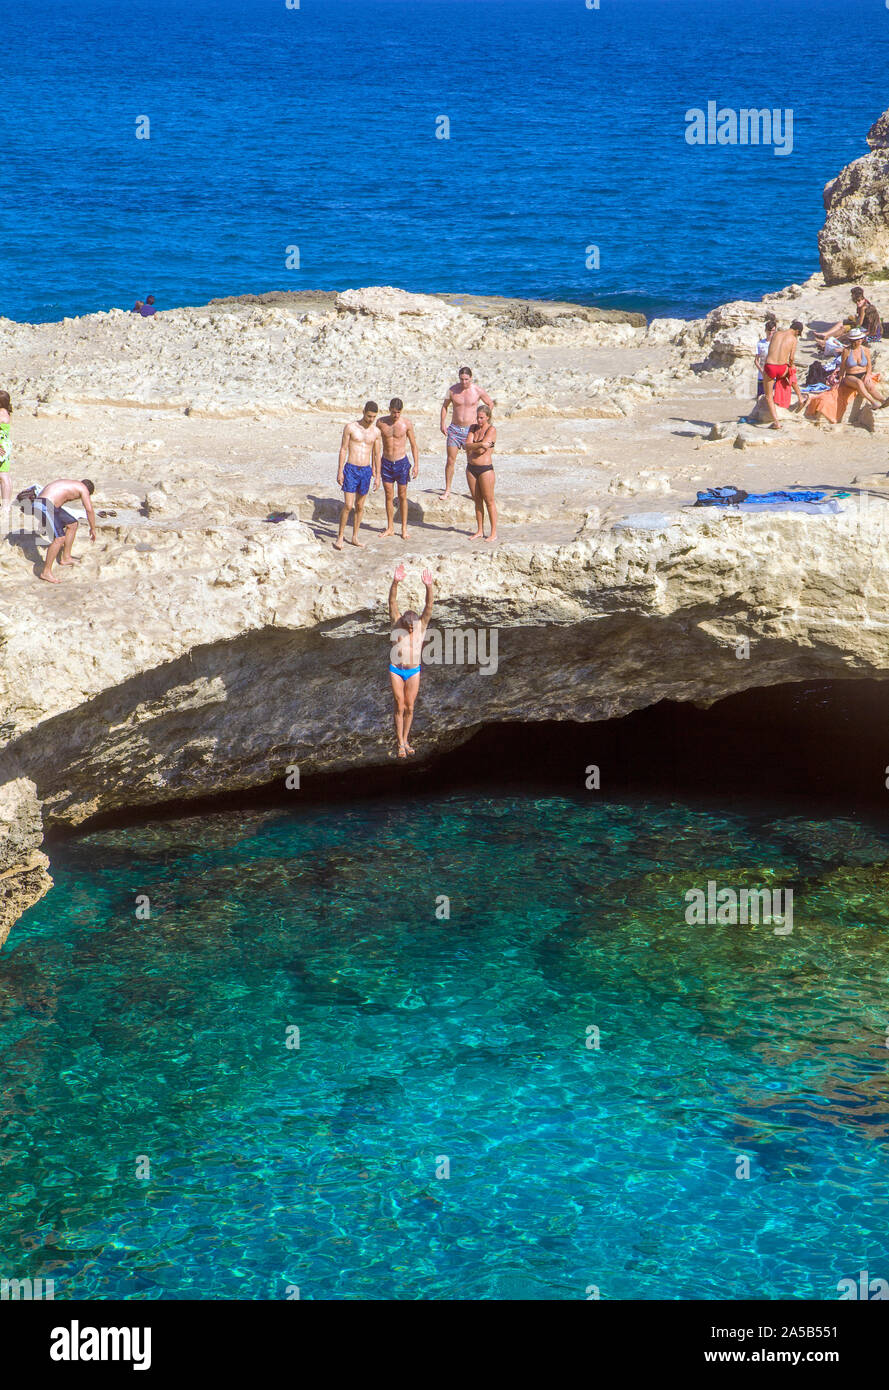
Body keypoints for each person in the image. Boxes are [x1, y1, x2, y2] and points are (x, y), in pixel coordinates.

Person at [388, 563, 434, 757]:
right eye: (409, 629)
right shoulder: (397, 623)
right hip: (396, 669)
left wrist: (429, 586)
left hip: (414, 670)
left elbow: (429, 606)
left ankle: (406, 740)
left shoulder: (421, 624)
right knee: (400, 705)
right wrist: (395, 582)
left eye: (413, 628)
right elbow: (392, 603)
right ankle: (400, 744)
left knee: (410, 706)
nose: (411, 631)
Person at [439, 367, 493, 499]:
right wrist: (442, 423)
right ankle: (447, 490)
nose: (464, 382)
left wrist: (483, 422)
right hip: (454, 429)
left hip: (471, 430)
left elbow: (490, 404)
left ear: (471, 378)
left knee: (472, 461)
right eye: (462, 379)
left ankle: (475, 492)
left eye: (466, 380)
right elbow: (445, 406)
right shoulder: (452, 390)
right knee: (451, 460)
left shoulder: (477, 390)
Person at [334, 402, 381, 549]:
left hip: (365, 470)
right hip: (351, 468)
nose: (370, 419)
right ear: (363, 412)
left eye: (373, 417)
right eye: (368, 416)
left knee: (360, 506)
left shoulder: (376, 432)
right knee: (348, 505)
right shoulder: (351, 427)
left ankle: (355, 536)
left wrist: (377, 475)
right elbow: (343, 449)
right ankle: (340, 536)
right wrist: (340, 470)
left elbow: (377, 454)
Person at [34, 479, 97, 583]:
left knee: (72, 524)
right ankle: (46, 572)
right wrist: (93, 528)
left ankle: (66, 557)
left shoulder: (72, 484)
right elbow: (89, 509)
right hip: (44, 505)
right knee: (60, 538)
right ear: (88, 491)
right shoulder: (83, 489)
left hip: (47, 504)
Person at [378, 398, 419, 540]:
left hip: (401, 463)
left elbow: (414, 444)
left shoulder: (406, 423)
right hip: (386, 463)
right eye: (394, 412)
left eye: (398, 413)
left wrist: (416, 465)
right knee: (388, 495)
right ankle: (390, 527)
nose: (396, 415)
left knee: (402, 496)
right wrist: (375, 467)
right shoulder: (381, 423)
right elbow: (375, 445)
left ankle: (403, 528)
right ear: (389, 409)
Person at [763, 321, 806, 428]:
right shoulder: (793, 339)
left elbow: (770, 350)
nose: (797, 335)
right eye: (798, 334)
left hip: (770, 366)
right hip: (782, 368)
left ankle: (776, 422)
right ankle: (800, 397)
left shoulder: (777, 333)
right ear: (797, 331)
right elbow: (791, 358)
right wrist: (791, 366)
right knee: (791, 372)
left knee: (768, 396)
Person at [465, 403, 498, 541]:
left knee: (489, 500)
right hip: (471, 468)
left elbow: (479, 451)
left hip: (485, 469)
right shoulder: (473, 428)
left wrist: (475, 446)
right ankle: (479, 530)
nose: (478, 420)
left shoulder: (491, 430)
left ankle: (493, 533)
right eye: (477, 417)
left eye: (481, 418)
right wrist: (480, 443)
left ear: (488, 417)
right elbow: (466, 446)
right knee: (477, 500)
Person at [815, 287, 882, 347]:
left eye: (858, 301)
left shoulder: (863, 307)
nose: (857, 303)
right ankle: (826, 336)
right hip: (865, 327)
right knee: (842, 324)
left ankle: (826, 341)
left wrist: (855, 328)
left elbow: (860, 324)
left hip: (865, 328)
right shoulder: (862, 303)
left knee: (845, 331)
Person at [839, 328, 885, 407]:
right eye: (858, 339)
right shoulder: (846, 351)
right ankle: (873, 402)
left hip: (863, 373)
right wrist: (840, 381)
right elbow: (842, 367)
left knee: (870, 386)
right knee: (859, 383)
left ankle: (883, 400)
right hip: (850, 376)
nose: (861, 340)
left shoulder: (865, 349)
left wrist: (868, 375)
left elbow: (869, 365)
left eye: (861, 339)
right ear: (853, 341)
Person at [754, 316, 777, 397]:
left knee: (773, 397)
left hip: (774, 375)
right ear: (766, 331)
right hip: (762, 375)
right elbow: (756, 360)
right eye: (769, 330)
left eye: (773, 331)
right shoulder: (760, 343)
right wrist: (762, 371)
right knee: (761, 398)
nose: (771, 333)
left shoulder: (777, 343)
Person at [0, 390, 12, 510]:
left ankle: (5, 505)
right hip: (5, 444)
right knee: (5, 475)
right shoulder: (6, 412)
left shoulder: (1, 414)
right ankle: (6, 504)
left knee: (3, 476)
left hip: (1, 446)